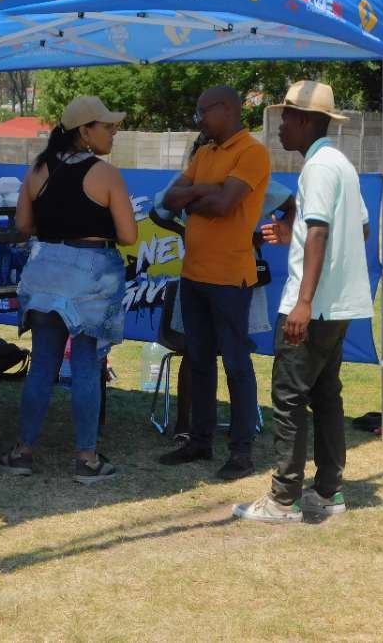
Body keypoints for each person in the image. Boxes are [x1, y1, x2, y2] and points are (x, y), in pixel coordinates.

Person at [234, 80, 371, 523]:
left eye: (287, 116)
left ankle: (283, 499)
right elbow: (360, 228)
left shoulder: (318, 168)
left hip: (313, 305)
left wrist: (304, 301)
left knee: (289, 396)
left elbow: (319, 231)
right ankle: (328, 491)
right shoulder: (340, 163)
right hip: (339, 304)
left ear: (308, 121)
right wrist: (297, 233)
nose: (280, 124)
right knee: (326, 394)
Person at [0, 96, 137, 484]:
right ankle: (86, 459)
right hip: (91, 275)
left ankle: (22, 452)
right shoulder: (106, 175)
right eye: (107, 126)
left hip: (43, 271)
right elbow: (129, 235)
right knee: (86, 365)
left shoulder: (38, 169)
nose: (113, 133)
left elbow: (23, 225)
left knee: (43, 364)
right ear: (84, 131)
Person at [158, 86, 271, 480]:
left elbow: (225, 206)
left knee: (236, 364)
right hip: (193, 275)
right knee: (199, 360)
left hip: (229, 278)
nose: (198, 119)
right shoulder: (204, 153)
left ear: (226, 109)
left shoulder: (252, 152)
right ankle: (199, 441)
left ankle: (241, 452)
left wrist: (195, 198)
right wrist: (207, 190)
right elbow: (169, 199)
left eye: (202, 111)